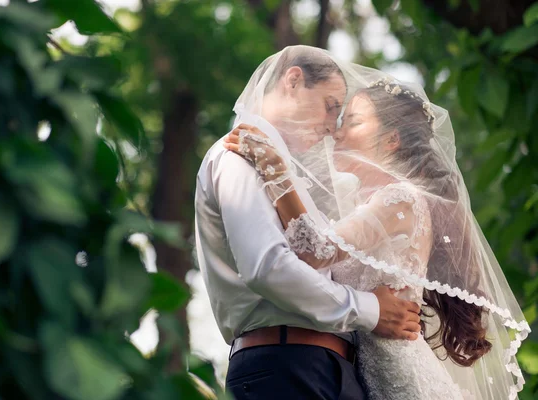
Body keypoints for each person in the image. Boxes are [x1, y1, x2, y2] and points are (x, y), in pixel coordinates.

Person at [223, 51, 530, 400]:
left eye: (352, 121)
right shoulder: (367, 205)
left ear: (390, 141)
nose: (335, 133)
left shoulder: (399, 198)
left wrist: (276, 173)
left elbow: (315, 250)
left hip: (403, 381)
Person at [194, 46, 422, 400]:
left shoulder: (282, 171)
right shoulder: (239, 154)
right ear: (294, 81)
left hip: (321, 366)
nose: (333, 128)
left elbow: (316, 252)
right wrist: (370, 309)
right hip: (285, 365)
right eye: (331, 107)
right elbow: (268, 268)